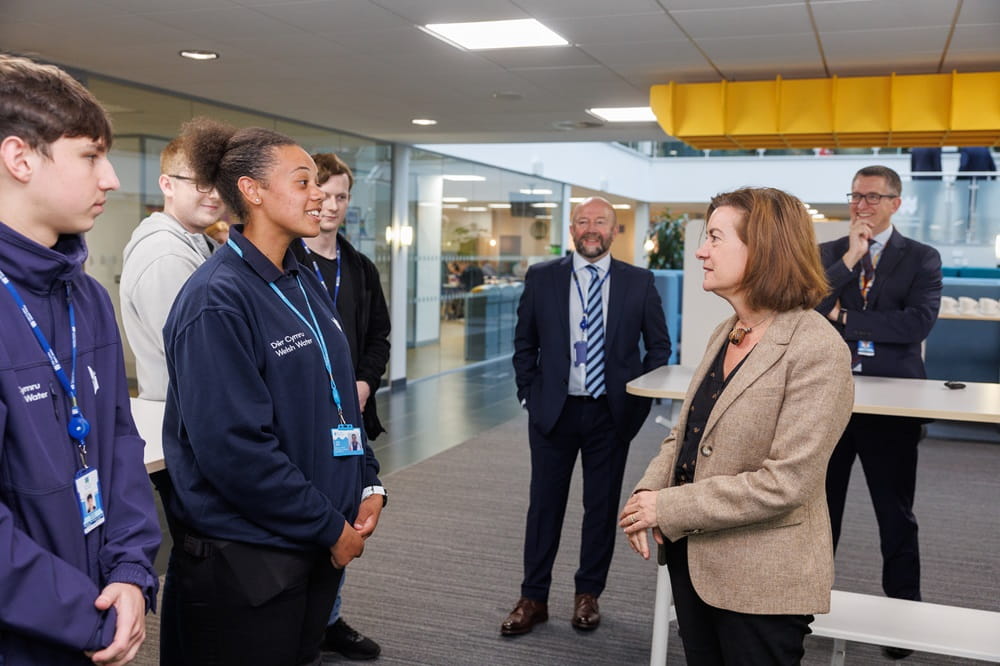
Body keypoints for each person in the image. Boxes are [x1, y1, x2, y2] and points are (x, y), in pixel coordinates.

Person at [159, 117, 384, 665]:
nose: (320, 198)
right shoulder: (218, 299)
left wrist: (368, 478)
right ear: (252, 192)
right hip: (247, 561)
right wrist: (330, 526)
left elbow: (333, 397)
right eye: (303, 182)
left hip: (309, 544)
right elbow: (235, 451)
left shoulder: (301, 278)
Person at [622, 187, 855, 665]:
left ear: (763, 250)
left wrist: (667, 506)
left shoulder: (817, 349)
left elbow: (785, 483)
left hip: (763, 583)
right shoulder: (725, 330)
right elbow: (685, 435)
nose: (701, 251)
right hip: (696, 564)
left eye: (714, 237)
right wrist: (646, 496)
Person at [0, 54, 161, 665]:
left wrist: (130, 573)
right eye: (91, 156)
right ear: (20, 158)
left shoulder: (86, 295)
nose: (112, 178)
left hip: (98, 603)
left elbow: (119, 443)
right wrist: (88, 615)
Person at [502, 196, 671, 636]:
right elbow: (524, 345)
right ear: (571, 230)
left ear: (615, 231)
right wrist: (528, 397)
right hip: (552, 414)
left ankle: (587, 595)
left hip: (610, 415)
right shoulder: (543, 278)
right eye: (582, 221)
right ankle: (533, 597)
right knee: (544, 507)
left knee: (600, 509)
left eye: (600, 221)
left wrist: (637, 404)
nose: (590, 228)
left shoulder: (639, 282)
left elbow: (658, 348)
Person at [817, 165, 942, 660]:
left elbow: (916, 324)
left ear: (896, 202)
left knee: (895, 514)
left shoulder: (922, 258)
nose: (861, 205)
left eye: (872, 197)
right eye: (855, 196)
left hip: (894, 404)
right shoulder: (830, 253)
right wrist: (849, 258)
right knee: (820, 513)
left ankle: (902, 617)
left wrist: (846, 318)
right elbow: (806, 307)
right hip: (831, 400)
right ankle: (802, 608)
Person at [292, 151, 390, 660]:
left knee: (347, 513)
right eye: (322, 194)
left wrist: (364, 383)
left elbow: (379, 336)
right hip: (304, 420)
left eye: (340, 196)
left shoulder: (359, 267)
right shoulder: (285, 264)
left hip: (349, 416)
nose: (330, 205)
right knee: (308, 512)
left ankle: (328, 617)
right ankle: (304, 619)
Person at [120, 133, 227, 401]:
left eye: (219, 182)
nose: (214, 194)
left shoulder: (196, 244)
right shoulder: (165, 255)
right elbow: (198, 357)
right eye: (201, 183)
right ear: (167, 185)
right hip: (184, 420)